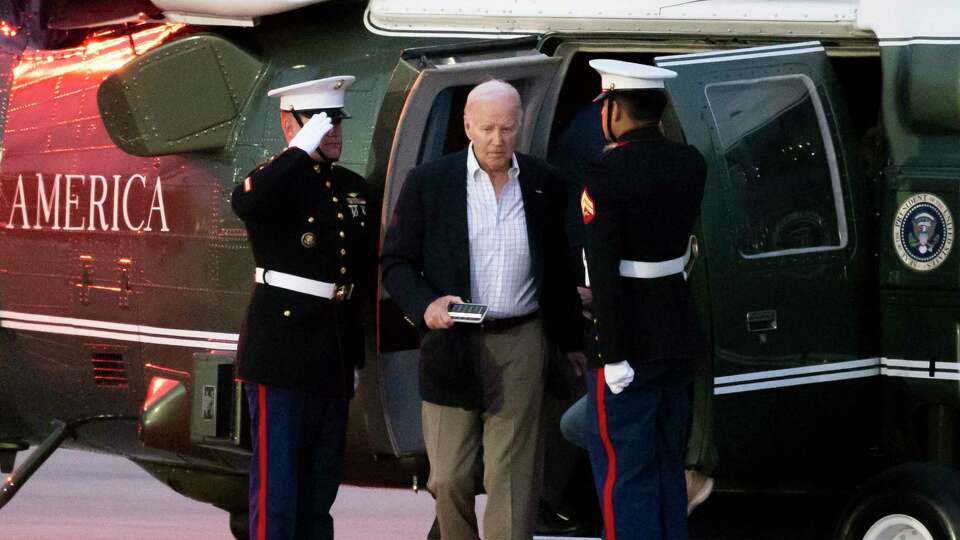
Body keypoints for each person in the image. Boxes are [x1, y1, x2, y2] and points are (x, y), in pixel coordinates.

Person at [381, 79, 585, 540]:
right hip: (451, 341)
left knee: (511, 479)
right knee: (448, 477)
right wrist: (425, 306)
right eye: (488, 128)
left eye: (508, 129)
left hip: (522, 339)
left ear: (520, 126)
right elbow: (395, 262)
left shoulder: (544, 184)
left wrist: (571, 342)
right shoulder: (431, 183)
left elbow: (557, 269)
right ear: (467, 125)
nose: (498, 140)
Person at [231, 73, 374, 540]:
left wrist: (355, 351)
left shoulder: (351, 187)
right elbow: (247, 203)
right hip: (282, 351)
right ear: (289, 125)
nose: (332, 131)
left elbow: (360, 269)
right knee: (279, 489)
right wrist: (300, 147)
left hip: (331, 350)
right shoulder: (274, 182)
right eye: (319, 121)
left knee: (319, 490)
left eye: (336, 121)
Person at [581, 59, 708, 540]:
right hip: (675, 327)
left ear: (614, 109)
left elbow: (606, 272)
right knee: (665, 464)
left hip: (628, 334)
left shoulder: (607, 170)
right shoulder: (690, 162)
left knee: (623, 474)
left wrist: (612, 352)